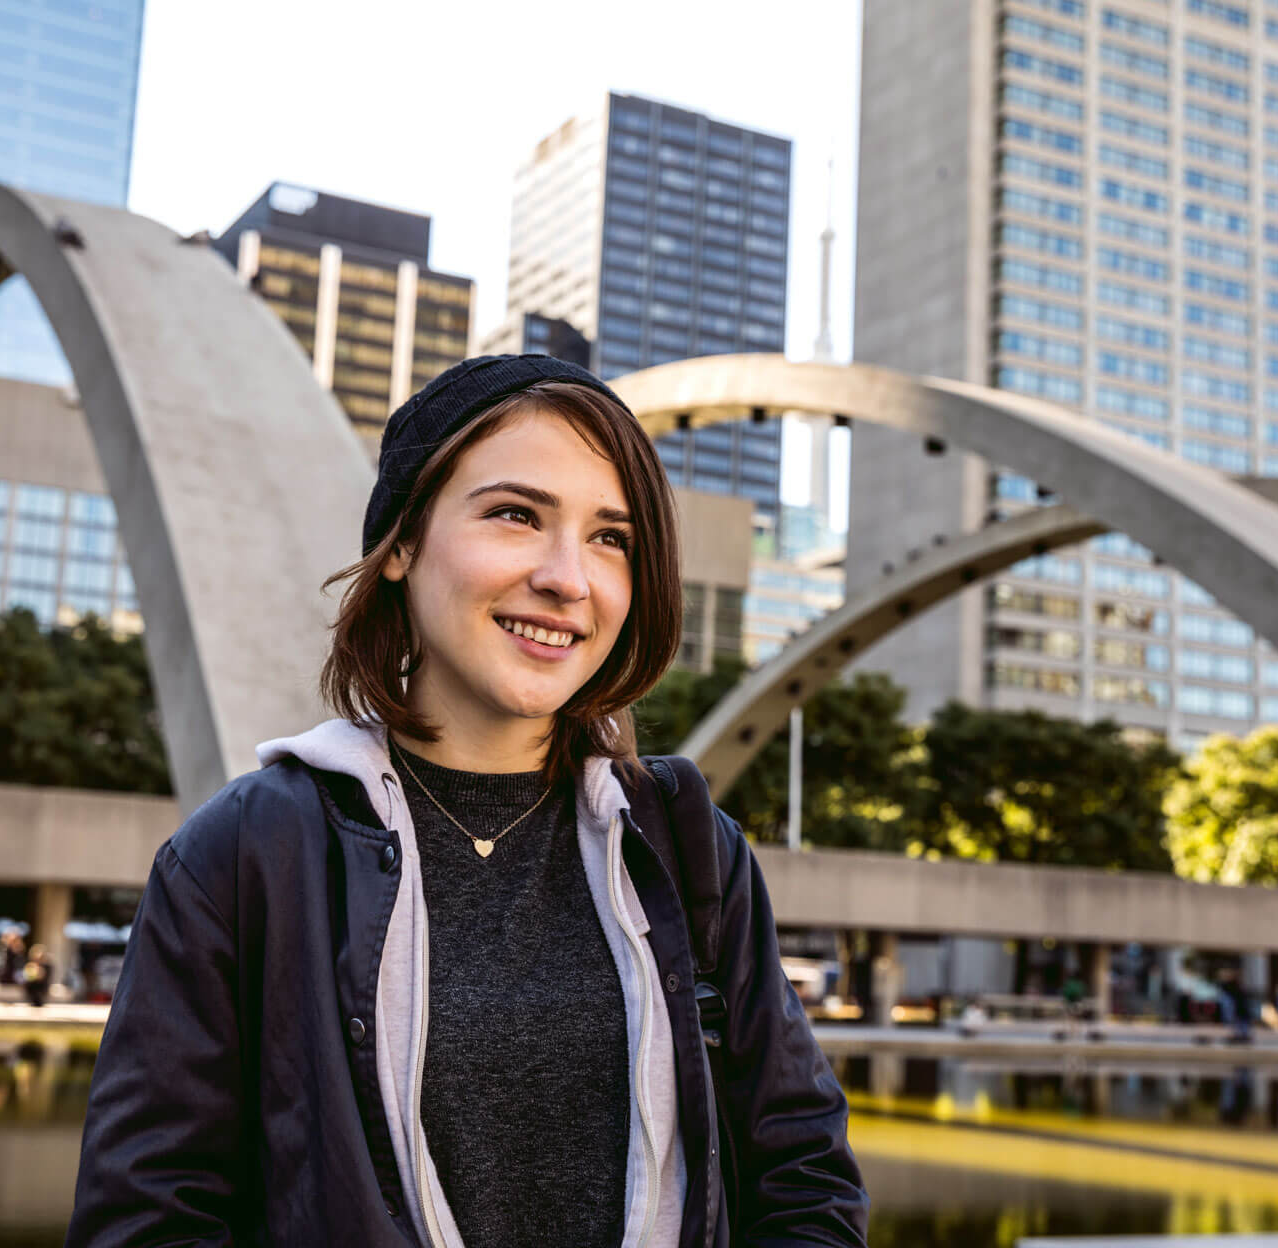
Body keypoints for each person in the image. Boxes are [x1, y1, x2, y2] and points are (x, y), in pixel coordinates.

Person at [67, 357, 868, 1246]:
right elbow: (149, 1216)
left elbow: (803, 1173)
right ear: (403, 544)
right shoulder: (248, 853)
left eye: (612, 539)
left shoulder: (686, 845)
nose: (570, 578)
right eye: (517, 516)